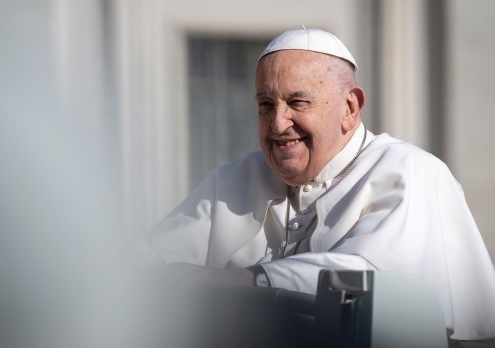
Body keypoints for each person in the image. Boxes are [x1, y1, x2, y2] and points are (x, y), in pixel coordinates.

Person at [135, 27, 495, 344]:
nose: (277, 123)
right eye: (265, 104)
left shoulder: (409, 172)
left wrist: (246, 281)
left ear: (350, 108)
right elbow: (151, 262)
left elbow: (373, 283)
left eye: (297, 102)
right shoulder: (233, 179)